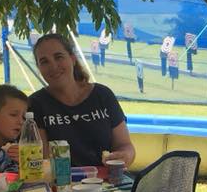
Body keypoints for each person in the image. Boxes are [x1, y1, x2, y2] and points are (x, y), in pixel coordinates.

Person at [28, 33, 136, 168]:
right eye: (44, 61)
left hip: (108, 183)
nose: (53, 66)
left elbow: (125, 145)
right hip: (62, 186)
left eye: (58, 57)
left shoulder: (102, 95)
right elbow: (42, 161)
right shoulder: (35, 104)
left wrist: (125, 156)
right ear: (39, 68)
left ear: (72, 58)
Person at [0, 84, 28, 173]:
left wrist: (27, 165)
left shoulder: (25, 151)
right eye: (13, 115)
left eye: (23, 117)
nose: (21, 121)